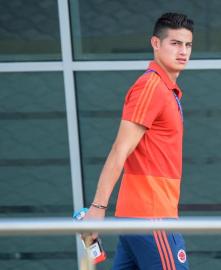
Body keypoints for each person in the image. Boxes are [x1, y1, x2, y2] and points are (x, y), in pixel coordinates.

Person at [83, 12, 193, 270]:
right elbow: (119, 150)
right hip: (151, 216)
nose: (183, 51)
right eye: (175, 43)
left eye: (188, 45)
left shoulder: (166, 90)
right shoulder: (151, 87)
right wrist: (98, 209)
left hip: (143, 215)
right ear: (156, 43)